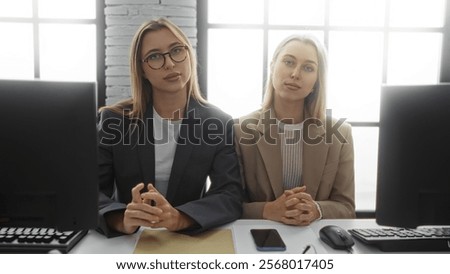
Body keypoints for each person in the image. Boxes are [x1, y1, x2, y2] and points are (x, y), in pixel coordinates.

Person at [97, 18, 242, 237]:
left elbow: (229, 194)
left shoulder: (218, 123)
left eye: (176, 50)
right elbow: (90, 191)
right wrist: (121, 219)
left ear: (189, 55)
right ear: (142, 70)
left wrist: (178, 218)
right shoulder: (113, 121)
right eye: (154, 56)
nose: (170, 64)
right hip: (129, 240)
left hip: (185, 236)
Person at [234, 34, 355, 226]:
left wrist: (317, 210)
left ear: (317, 81)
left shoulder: (340, 133)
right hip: (258, 238)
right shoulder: (240, 130)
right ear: (273, 66)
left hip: (314, 240)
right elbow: (227, 204)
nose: (295, 74)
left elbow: (346, 208)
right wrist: (268, 210)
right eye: (289, 62)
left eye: (308, 68)